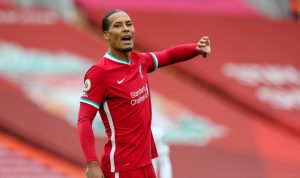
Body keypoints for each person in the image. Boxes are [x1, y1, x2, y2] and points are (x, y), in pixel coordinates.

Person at [77, 9, 211, 178]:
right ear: (106, 35)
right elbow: (84, 119)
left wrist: (196, 49)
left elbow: (169, 55)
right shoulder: (99, 73)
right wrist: (92, 164)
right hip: (122, 167)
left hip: (146, 162)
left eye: (129, 24)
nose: (126, 28)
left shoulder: (139, 61)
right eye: (118, 25)